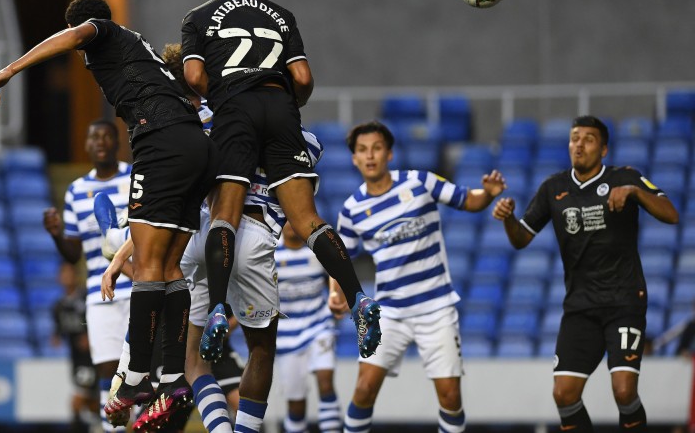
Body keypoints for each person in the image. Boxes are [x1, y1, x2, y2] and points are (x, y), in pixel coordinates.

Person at [0, 0, 217, 423]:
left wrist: (9, 70)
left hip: (160, 140)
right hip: (195, 145)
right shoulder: (135, 48)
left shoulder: (101, 31)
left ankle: (137, 376)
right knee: (169, 267)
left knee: (150, 266)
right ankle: (172, 378)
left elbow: (75, 35)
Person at [101, 42, 325, 433]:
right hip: (251, 236)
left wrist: (120, 255)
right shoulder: (296, 136)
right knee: (260, 350)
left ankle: (131, 384)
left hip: (198, 236)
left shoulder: (184, 128)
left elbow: (172, 205)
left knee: (189, 354)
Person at [181, 0, 380, 369]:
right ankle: (359, 298)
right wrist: (289, 104)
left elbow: (194, 76)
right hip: (280, 106)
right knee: (307, 219)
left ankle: (217, 308)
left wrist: (225, 98)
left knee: (224, 215)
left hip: (234, 108)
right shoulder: (281, 15)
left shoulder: (198, 17)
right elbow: (303, 77)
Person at [492, 115, 678, 431]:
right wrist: (508, 219)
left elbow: (671, 214)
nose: (579, 145)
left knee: (624, 391)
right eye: (574, 138)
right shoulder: (553, 187)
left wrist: (634, 192)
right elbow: (521, 238)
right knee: (564, 394)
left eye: (588, 139)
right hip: (581, 306)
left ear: (603, 149)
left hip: (624, 302)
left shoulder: (625, 177)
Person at [331, 121, 505, 433]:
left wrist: (488, 194)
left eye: (376, 148)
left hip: (436, 308)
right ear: (354, 159)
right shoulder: (351, 210)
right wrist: (336, 291)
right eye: (362, 150)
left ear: (389, 154)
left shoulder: (420, 182)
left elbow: (467, 199)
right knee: (364, 389)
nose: (370, 155)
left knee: (450, 397)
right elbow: (340, 258)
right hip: (389, 312)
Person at [42, 118, 134, 433]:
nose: (100, 142)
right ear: (86, 145)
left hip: (138, 287)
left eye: (107, 136)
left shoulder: (135, 178)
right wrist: (57, 235)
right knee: (107, 370)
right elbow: (73, 254)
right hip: (99, 292)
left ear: (117, 142)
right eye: (94, 137)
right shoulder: (76, 191)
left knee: (139, 372)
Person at [274, 223, 340, 433]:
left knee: (326, 383)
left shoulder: (317, 248)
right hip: (286, 335)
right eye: (286, 219)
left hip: (319, 325)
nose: (291, 225)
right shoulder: (270, 252)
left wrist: (336, 296)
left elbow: (335, 274)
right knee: (296, 406)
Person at [52, 263, 99, 433]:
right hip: (76, 358)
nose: (67, 277)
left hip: (91, 358)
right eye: (64, 274)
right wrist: (56, 336)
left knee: (77, 402)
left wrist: (90, 335)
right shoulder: (58, 306)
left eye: (70, 273)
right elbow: (59, 326)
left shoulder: (86, 299)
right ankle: (101, 422)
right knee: (91, 402)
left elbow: (94, 320)